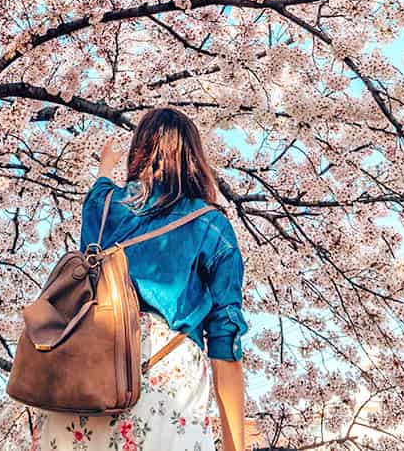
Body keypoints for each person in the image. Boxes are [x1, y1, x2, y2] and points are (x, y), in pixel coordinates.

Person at [30, 106, 248, 451]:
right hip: (164, 378)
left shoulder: (101, 206)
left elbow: (100, 192)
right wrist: (236, 445)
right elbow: (225, 338)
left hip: (85, 378)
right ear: (194, 158)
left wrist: (105, 165)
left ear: (140, 150)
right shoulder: (211, 226)